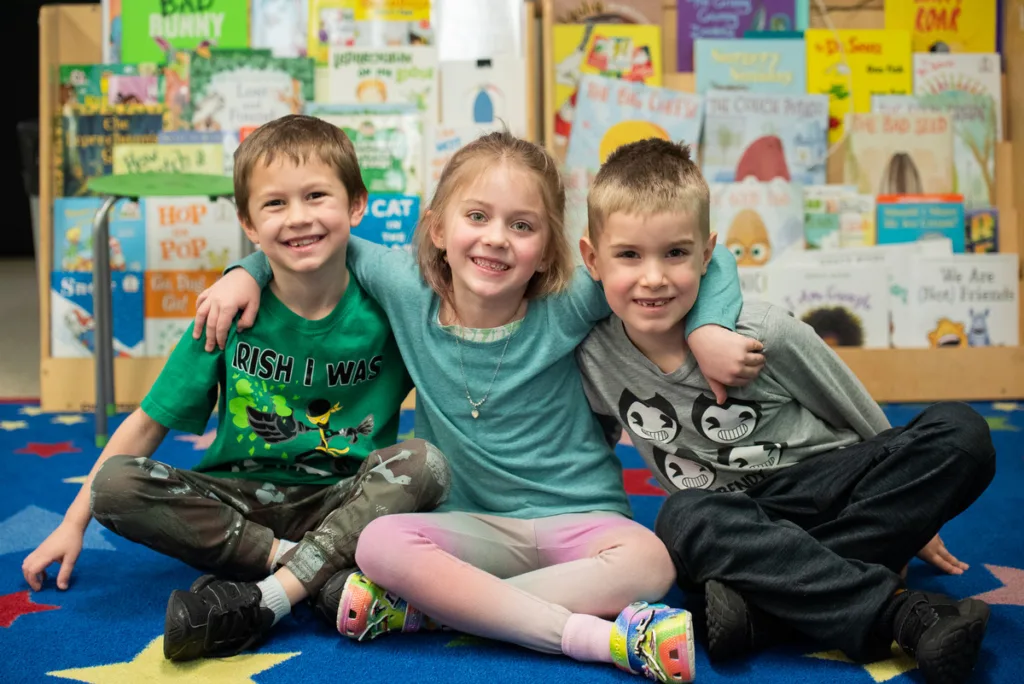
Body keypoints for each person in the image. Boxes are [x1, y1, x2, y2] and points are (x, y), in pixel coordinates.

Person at [193, 131, 764, 683]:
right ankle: (592, 636)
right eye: (477, 217)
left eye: (522, 226)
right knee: (379, 543)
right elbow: (315, 242)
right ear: (438, 228)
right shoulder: (404, 286)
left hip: (582, 522)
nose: (496, 238)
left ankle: (438, 613)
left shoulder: (567, 300)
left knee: (653, 562)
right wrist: (245, 271)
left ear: (548, 250)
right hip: (469, 530)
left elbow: (712, 260)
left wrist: (709, 329)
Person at [21, 115, 452, 663]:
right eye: (275, 205)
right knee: (112, 483)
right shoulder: (224, 312)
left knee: (424, 463)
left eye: (317, 196)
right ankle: (318, 572)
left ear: (356, 205)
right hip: (240, 503)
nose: (298, 218)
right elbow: (148, 424)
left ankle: (267, 590)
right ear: (248, 223)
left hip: (342, 498)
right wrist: (71, 523)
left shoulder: (393, 309)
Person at [573, 138, 995, 684]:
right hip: (735, 522)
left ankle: (763, 609)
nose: (653, 277)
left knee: (963, 433)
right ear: (592, 259)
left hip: (834, 490)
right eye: (629, 255)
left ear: (707, 254)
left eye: (675, 253)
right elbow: (592, 449)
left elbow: (863, 417)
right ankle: (899, 614)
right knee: (680, 519)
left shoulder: (764, 330)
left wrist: (913, 513)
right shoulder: (594, 357)